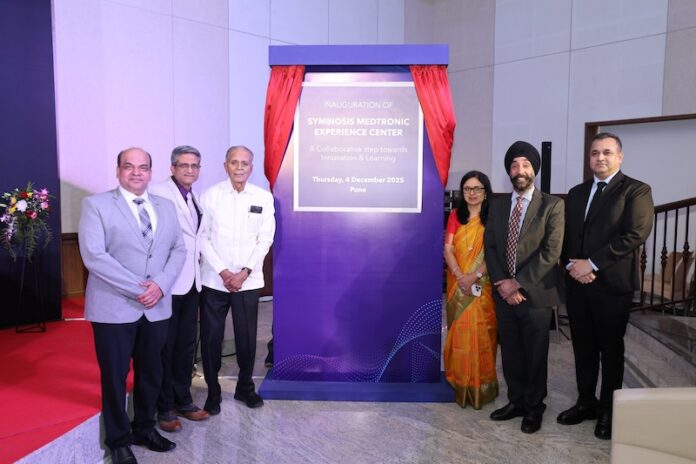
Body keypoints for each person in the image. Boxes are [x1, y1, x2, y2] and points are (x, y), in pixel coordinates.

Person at [79, 148, 186, 464]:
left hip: (156, 306)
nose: (136, 172)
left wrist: (160, 285)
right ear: (118, 171)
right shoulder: (96, 205)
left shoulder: (166, 206)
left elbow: (178, 249)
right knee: (114, 376)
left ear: (151, 172)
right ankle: (118, 440)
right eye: (129, 166)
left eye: (143, 167)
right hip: (114, 307)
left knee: (151, 372)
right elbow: (95, 256)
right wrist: (140, 289)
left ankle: (144, 428)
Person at [557, 132, 653, 440]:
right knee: (583, 347)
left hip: (612, 285)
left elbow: (635, 233)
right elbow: (564, 235)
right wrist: (572, 266)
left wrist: (592, 264)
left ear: (619, 157)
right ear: (589, 158)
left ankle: (610, 410)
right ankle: (586, 402)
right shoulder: (576, 193)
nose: (600, 157)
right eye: (595, 152)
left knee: (610, 349)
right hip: (578, 284)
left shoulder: (636, 190)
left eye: (607, 152)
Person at [483, 141, 564, 434]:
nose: (520, 170)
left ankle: (534, 406)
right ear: (509, 171)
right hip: (504, 293)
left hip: (536, 294)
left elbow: (551, 252)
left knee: (535, 353)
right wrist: (504, 285)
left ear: (534, 170)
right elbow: (491, 247)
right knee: (511, 352)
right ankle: (515, 401)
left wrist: (518, 284)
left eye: (526, 165)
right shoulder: (498, 205)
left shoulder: (552, 205)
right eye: (515, 165)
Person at [199, 145, 275, 413]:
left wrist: (244, 272)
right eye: (234, 162)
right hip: (214, 280)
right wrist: (223, 271)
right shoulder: (210, 196)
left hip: (248, 281)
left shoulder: (263, 198)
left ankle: (245, 388)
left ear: (251, 168)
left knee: (246, 338)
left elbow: (265, 239)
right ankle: (213, 392)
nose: (239, 167)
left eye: (244, 163)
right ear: (226, 166)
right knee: (211, 338)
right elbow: (202, 237)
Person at [149, 145, 210, 432]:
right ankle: (165, 407)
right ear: (172, 167)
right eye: (184, 165)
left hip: (192, 282)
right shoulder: (158, 193)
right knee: (166, 347)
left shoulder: (193, 196)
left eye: (194, 165)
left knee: (186, 346)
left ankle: (184, 399)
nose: (190, 170)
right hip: (168, 283)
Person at [443, 171, 498, 409]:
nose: (472, 193)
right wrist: (460, 276)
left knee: (482, 332)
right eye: (467, 189)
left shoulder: (494, 217)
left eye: (477, 188)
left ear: (485, 192)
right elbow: (448, 248)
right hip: (458, 283)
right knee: (460, 332)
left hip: (482, 283)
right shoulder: (456, 216)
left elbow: (495, 252)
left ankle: (481, 383)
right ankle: (459, 381)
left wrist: (474, 276)